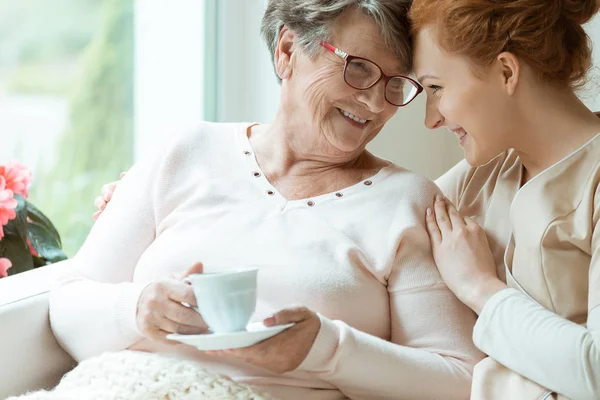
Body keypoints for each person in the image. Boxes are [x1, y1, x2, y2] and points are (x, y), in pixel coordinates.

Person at [50, 1, 482, 399]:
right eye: (359, 69)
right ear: (288, 49)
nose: (374, 102)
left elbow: (458, 380)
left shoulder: (407, 201)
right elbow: (67, 304)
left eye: (395, 84)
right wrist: (136, 308)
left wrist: (325, 350)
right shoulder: (185, 152)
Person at [409, 0, 600, 398]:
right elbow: (388, 222)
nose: (431, 119)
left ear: (506, 71)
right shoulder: (484, 172)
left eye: (436, 88)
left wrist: (479, 286)